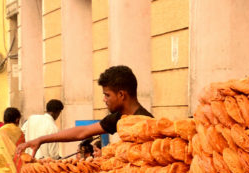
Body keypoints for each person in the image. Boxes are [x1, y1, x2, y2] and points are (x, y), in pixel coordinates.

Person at [16, 66, 152, 158]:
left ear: (121, 95)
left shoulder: (146, 124)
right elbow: (83, 132)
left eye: (107, 95)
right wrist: (41, 140)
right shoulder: (119, 117)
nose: (104, 100)